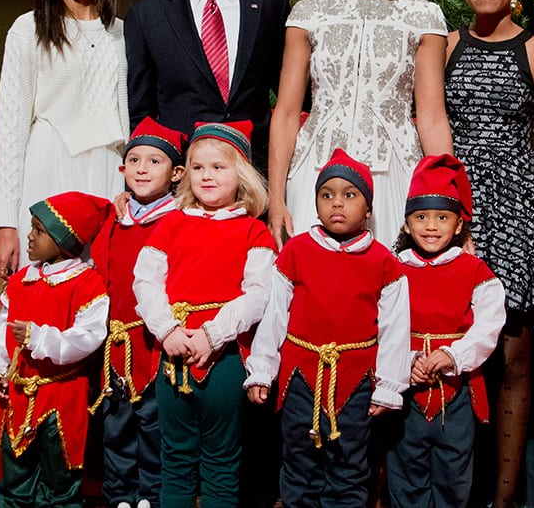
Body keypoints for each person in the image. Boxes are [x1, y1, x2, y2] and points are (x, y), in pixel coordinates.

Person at [443, 0, 534, 507]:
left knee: (513, 357)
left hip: (518, 212)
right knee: (448, 339)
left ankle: (504, 497)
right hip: (453, 209)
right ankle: (452, 490)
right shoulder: (445, 47)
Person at [266, 0, 453, 251]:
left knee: (388, 292)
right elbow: (287, 113)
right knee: (312, 290)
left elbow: (431, 118)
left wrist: (446, 201)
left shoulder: (422, 16)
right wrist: (276, 199)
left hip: (393, 172)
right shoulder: (309, 13)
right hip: (315, 172)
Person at [245, 148, 410, 507]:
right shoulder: (296, 251)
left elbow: (395, 330)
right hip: (300, 377)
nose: (337, 203)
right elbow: (275, 314)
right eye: (327, 195)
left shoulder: (384, 262)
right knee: (299, 461)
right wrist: (261, 371)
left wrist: (388, 386)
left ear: (367, 209)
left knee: (348, 466)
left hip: (354, 380)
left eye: (349, 195)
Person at [0, 0, 128, 278]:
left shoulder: (123, 33)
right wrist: (6, 223)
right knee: (42, 296)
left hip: (108, 174)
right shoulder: (27, 30)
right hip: (48, 169)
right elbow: (10, 131)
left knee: (100, 296)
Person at [132, 120, 274, 508]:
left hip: (225, 358)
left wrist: (213, 334)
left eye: (218, 167)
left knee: (221, 459)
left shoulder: (253, 232)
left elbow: (259, 295)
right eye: (198, 167)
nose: (206, 176)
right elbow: (145, 282)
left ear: (240, 173)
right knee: (174, 457)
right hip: (173, 355)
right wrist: (167, 330)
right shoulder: (169, 226)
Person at [125, 0, 290, 171]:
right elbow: (141, 112)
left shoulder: (270, 3)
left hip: (255, 174)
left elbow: (290, 95)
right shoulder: (146, 14)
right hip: (183, 178)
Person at [387, 154, 506, 508]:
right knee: (406, 472)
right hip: (408, 386)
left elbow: (489, 325)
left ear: (457, 226)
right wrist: (407, 360)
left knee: (453, 475)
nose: (431, 226)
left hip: (457, 392)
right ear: (407, 224)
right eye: (421, 217)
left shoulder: (474, 270)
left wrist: (451, 355)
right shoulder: (393, 270)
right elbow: (382, 324)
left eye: (442, 217)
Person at [0, 191, 113, 508]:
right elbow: (1, 326)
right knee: (16, 473)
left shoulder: (86, 282)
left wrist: (41, 338)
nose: (29, 236)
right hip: (20, 392)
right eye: (32, 227)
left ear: (63, 240)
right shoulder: (21, 281)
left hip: (61, 396)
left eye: (39, 230)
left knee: (61, 479)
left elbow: (89, 335)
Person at [89, 117, 186, 508]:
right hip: (115, 342)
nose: (142, 168)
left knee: (153, 421)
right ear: (122, 168)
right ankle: (119, 495)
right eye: (134, 160)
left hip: (152, 342)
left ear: (176, 172)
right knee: (116, 422)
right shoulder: (112, 219)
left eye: (154, 161)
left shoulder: (178, 222)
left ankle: (151, 495)